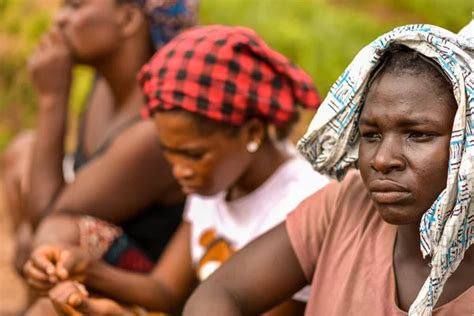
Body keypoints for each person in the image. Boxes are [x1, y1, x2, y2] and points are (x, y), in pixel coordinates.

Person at [23, 25, 329, 315]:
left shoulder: (302, 206)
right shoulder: (217, 180)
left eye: (193, 155)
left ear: (251, 133)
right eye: (169, 153)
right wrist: (86, 269)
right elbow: (165, 289)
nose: (179, 170)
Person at [182, 24, 474, 315]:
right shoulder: (346, 206)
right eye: (371, 135)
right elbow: (221, 292)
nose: (382, 160)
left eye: (418, 134)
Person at [1, 0, 198, 274]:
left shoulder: (154, 129)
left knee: (60, 232)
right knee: (22, 150)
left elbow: (45, 220)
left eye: (75, 6)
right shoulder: (105, 83)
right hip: (89, 237)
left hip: (145, 287)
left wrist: (52, 99)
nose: (60, 20)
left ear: (128, 19)